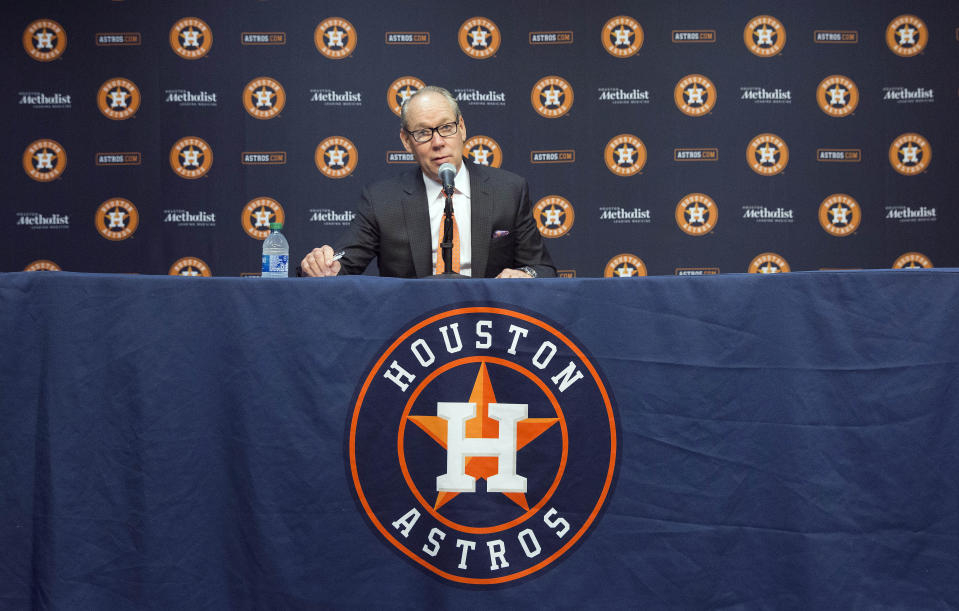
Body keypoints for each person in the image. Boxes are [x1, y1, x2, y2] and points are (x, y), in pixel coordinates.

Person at [300, 86, 556, 278]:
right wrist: (322, 265)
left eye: (446, 127)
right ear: (406, 140)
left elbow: (544, 269)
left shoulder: (508, 191)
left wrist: (526, 275)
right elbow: (342, 265)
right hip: (413, 329)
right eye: (423, 133)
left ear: (462, 128)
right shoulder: (382, 200)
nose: (438, 142)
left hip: (488, 327)